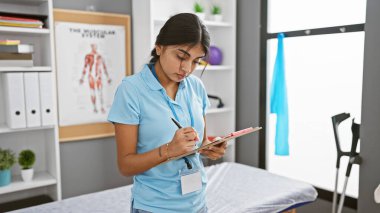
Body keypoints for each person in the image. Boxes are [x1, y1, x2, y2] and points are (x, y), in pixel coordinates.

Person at [108, 13, 227, 213]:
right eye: (181, 56)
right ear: (159, 47)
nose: (187, 69)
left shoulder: (196, 86)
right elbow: (126, 165)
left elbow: (200, 142)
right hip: (154, 207)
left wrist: (210, 147)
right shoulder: (131, 90)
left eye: (196, 61)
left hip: (197, 204)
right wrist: (169, 151)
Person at [80, 43, 112, 114]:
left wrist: (108, 78)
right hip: (91, 76)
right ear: (91, 47)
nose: (95, 48)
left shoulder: (100, 56)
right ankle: (94, 107)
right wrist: (82, 78)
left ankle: (102, 107)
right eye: (93, 46)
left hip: (98, 76)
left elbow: (104, 67)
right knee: (93, 92)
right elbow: (85, 67)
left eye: (95, 46)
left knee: (100, 92)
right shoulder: (88, 56)